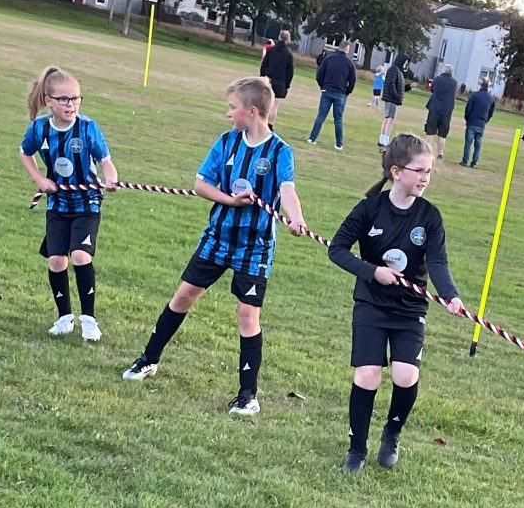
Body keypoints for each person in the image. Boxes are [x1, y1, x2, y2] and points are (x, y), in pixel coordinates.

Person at [122, 77, 307, 416]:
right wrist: (230, 201)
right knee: (183, 296)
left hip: (255, 247)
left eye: (232, 108)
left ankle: (248, 396)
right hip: (217, 238)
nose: (228, 114)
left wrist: (296, 218)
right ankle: (148, 359)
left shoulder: (281, 151)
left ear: (252, 111)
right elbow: (200, 184)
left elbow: (288, 190)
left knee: (247, 315)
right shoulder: (226, 142)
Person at [328, 134, 464, 473]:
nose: (425, 178)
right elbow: (337, 249)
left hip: (409, 308)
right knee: (368, 375)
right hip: (371, 304)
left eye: (429, 172)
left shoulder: (430, 217)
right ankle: (357, 449)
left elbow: (438, 262)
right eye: (419, 171)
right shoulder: (369, 209)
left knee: (405, 375)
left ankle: (392, 433)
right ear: (396, 171)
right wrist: (372, 272)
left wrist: (450, 295)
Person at [19, 65, 119, 342]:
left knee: (80, 256)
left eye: (76, 98)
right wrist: (40, 179)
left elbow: (106, 162)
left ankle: (89, 320)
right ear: (49, 101)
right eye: (64, 99)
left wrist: (111, 178)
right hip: (58, 204)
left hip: (87, 203)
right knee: (56, 260)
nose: (71, 104)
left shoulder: (87, 127)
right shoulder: (39, 128)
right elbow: (25, 153)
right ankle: (64, 318)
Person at [306, 39, 356, 151]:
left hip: (327, 90)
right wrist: (347, 92)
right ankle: (339, 144)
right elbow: (352, 81)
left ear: (338, 47)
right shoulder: (350, 64)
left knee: (321, 116)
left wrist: (323, 85)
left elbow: (319, 75)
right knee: (338, 119)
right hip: (341, 93)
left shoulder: (328, 59)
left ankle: (312, 138)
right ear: (347, 50)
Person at [260, 29, 294, 130]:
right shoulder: (288, 54)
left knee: (266, 104)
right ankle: (270, 125)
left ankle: (262, 123)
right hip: (280, 82)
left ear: (279, 37)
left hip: (268, 79)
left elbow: (264, 64)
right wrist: (287, 84)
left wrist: (262, 76)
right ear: (288, 39)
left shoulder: (271, 50)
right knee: (274, 105)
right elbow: (290, 71)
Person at [460, 77, 496, 168]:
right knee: (478, 144)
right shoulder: (491, 98)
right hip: (481, 123)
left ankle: (465, 161)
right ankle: (474, 163)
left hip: (472, 122)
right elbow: (491, 113)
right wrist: (486, 120)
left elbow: (468, 108)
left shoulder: (474, 95)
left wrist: (467, 118)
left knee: (468, 143)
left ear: (480, 85)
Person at [424, 63, 457, 160]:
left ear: (443, 70)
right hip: (446, 110)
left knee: (430, 131)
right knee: (443, 134)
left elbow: (432, 89)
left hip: (434, 108)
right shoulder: (454, 82)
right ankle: (440, 153)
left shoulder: (438, 79)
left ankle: (426, 151)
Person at [378, 53, 410, 149]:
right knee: (390, 119)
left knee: (388, 118)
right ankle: (385, 142)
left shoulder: (398, 71)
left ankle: (382, 140)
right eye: (405, 62)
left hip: (392, 98)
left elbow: (399, 87)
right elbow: (391, 84)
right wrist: (396, 96)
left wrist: (408, 87)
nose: (406, 64)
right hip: (392, 99)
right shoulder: (394, 70)